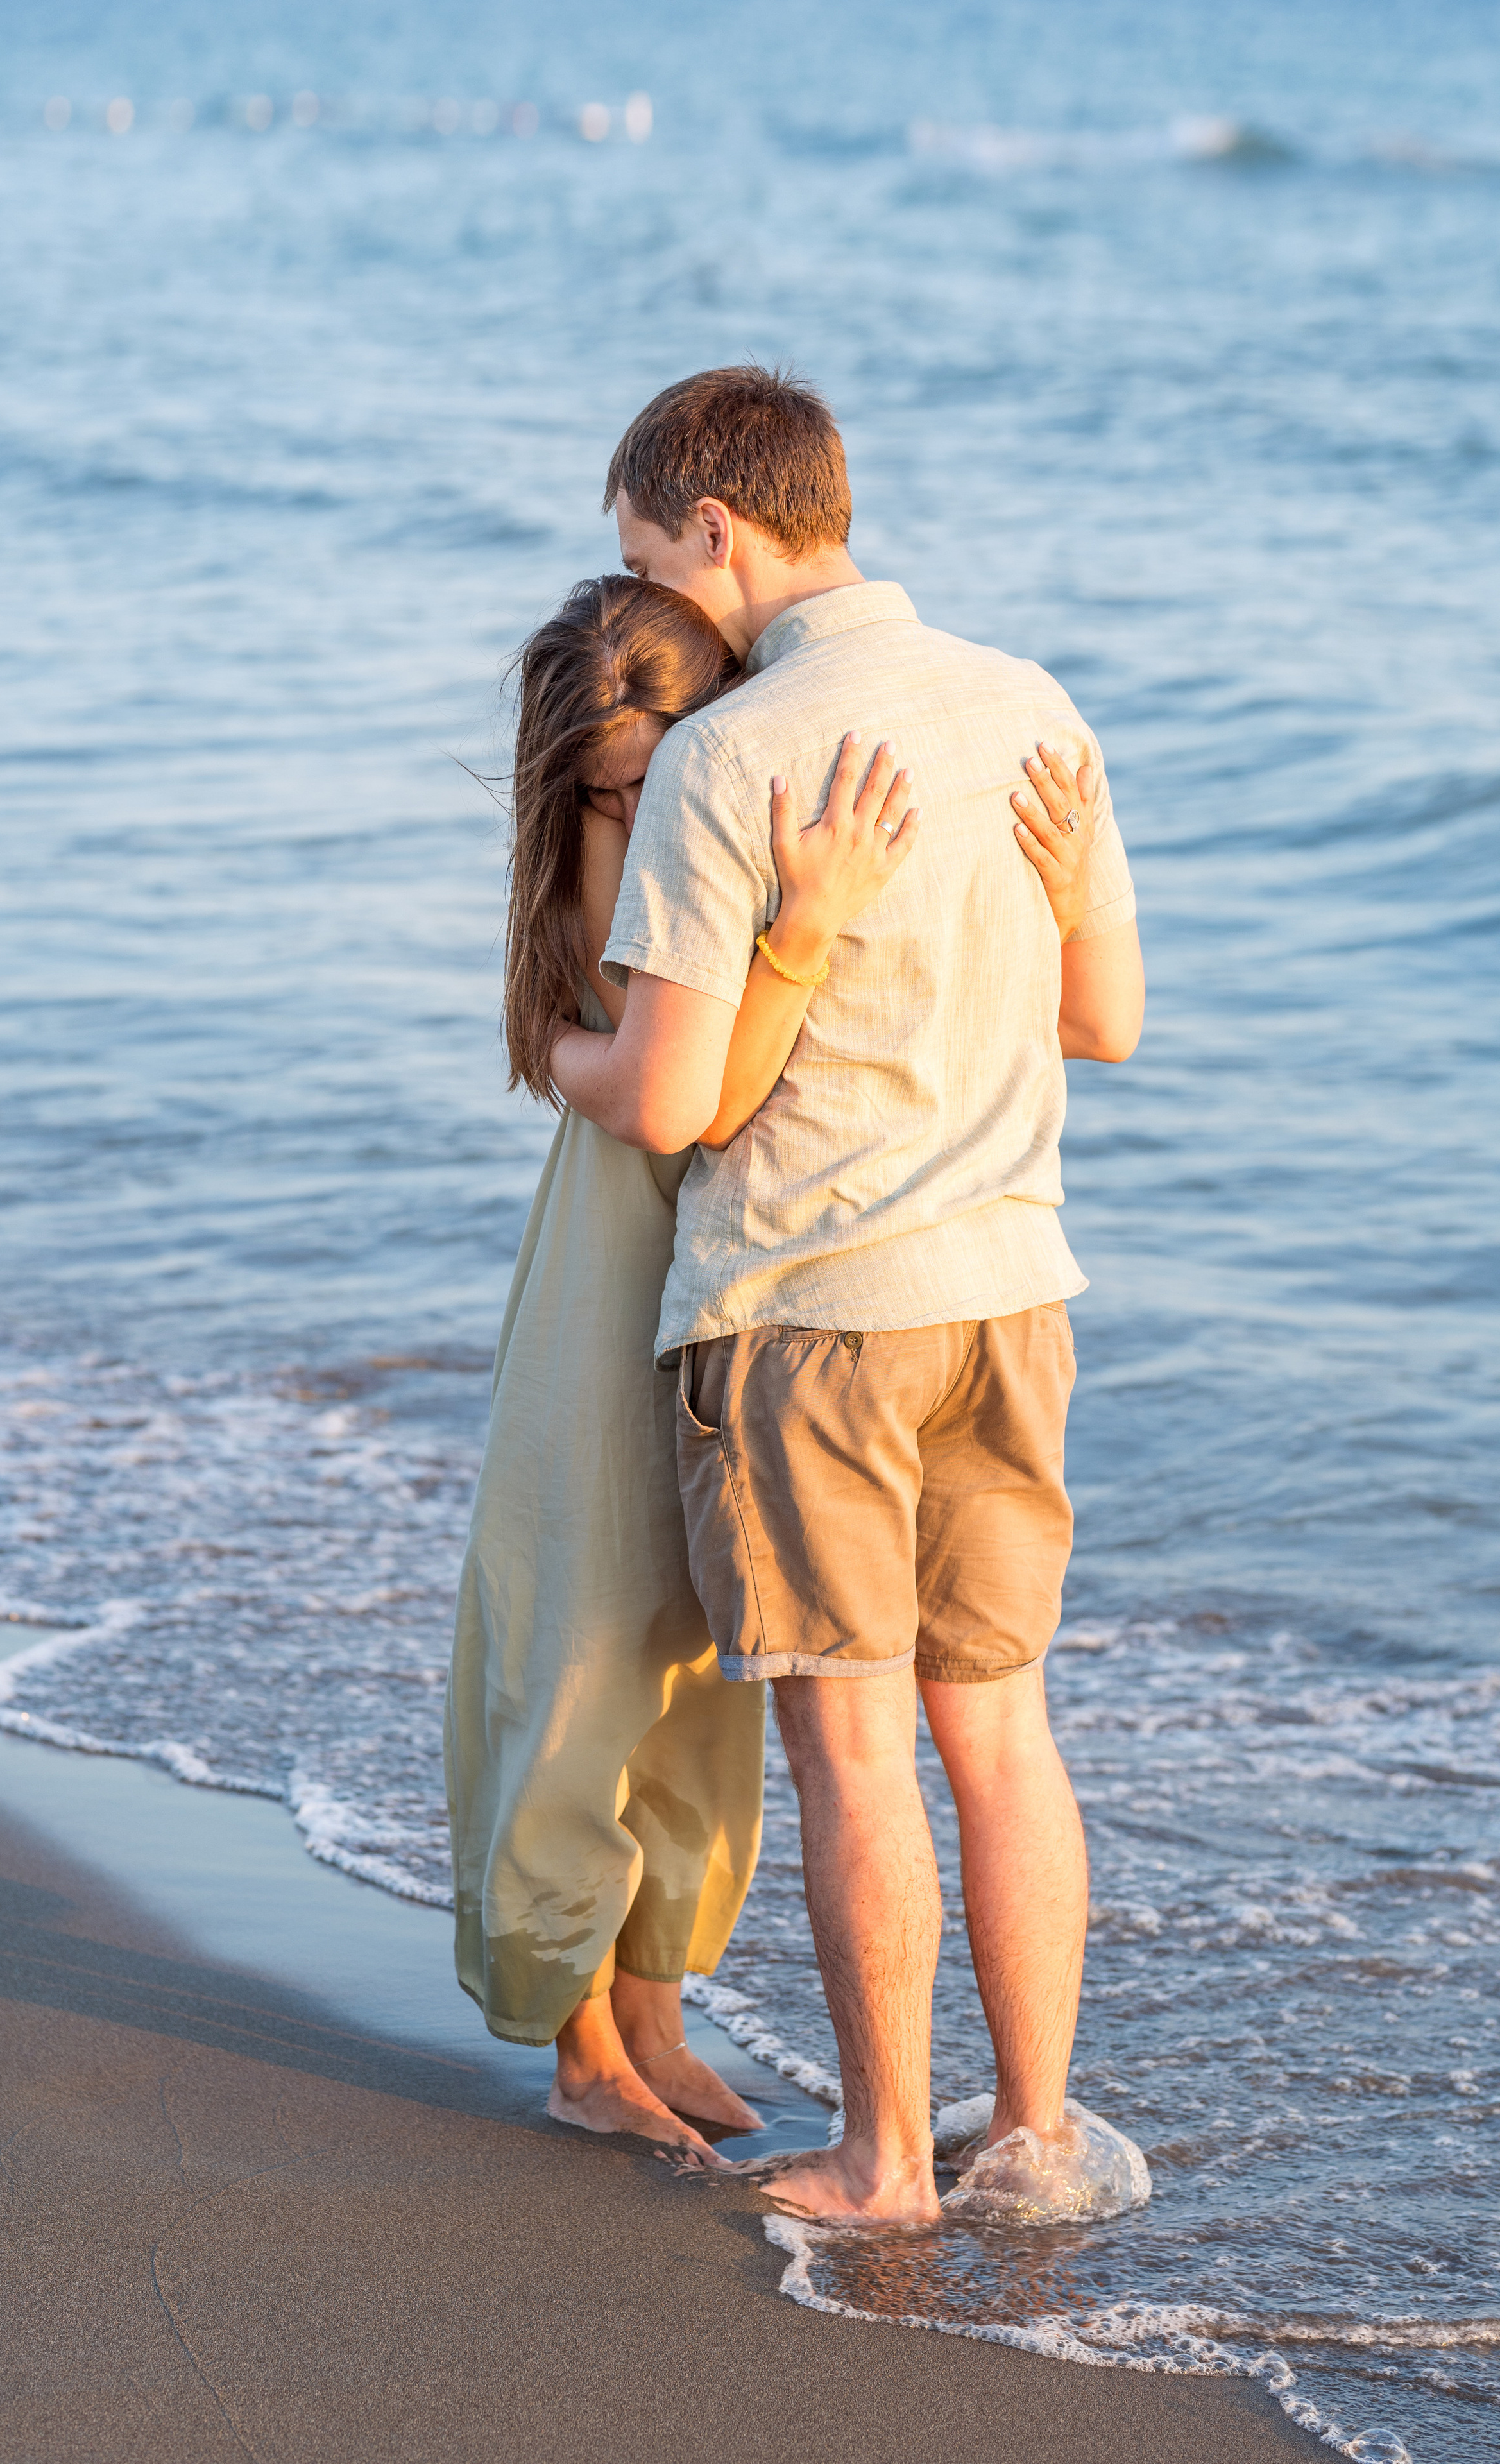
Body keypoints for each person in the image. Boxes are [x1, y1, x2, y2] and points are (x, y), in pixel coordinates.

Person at [550, 364, 1145, 2224]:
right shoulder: (1028, 700)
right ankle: (1037, 2134)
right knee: (1002, 1724)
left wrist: (552, 1056)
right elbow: (1104, 1021)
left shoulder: (735, 757)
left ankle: (891, 2164)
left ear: (711, 528)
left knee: (852, 1745)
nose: (652, 587)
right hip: (1015, 1289)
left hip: (815, 1314)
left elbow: (669, 1098)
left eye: (650, 550)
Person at [445, 573, 922, 2160]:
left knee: (707, 1656)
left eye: (654, 775)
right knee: (585, 1632)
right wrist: (797, 936)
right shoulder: (599, 846)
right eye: (604, 787)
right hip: (615, 1264)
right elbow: (691, 1095)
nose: (636, 809)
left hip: (742, 1262)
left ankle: (653, 2012)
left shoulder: (738, 792)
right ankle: (580, 2043)